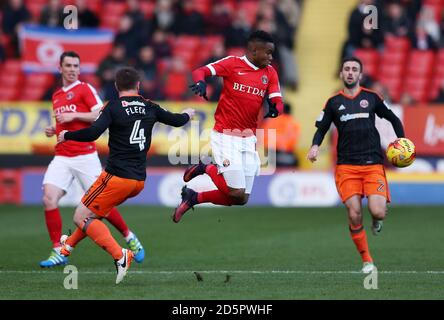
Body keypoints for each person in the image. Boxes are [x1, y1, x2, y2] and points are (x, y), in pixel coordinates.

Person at [57, 67, 194, 284]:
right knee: (94, 214)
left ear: (116, 87)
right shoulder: (150, 106)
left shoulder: (113, 107)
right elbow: (177, 121)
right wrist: (188, 113)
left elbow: (93, 133)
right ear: (138, 86)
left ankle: (120, 256)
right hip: (138, 181)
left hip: (116, 177)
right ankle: (68, 247)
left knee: (81, 217)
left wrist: (67, 135)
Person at [40, 52, 145, 268]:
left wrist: (74, 116)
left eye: (75, 65)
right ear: (60, 68)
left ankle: (129, 236)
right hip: (62, 154)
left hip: (85, 156)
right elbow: (66, 123)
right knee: (49, 198)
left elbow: (99, 114)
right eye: (68, 65)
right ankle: (58, 249)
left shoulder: (85, 89)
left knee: (101, 208)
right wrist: (56, 128)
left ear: (79, 69)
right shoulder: (57, 94)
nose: (72, 69)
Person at [306, 57, 406, 273]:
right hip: (347, 167)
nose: (350, 73)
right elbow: (322, 128)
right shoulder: (333, 102)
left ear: (360, 75)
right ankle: (367, 260)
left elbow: (393, 118)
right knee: (354, 213)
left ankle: (377, 221)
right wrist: (315, 146)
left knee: (377, 212)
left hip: (372, 164)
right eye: (347, 69)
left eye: (354, 70)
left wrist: (402, 140)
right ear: (342, 74)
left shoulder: (372, 98)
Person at [173, 30, 284, 223]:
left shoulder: (270, 72)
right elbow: (200, 71)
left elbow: (277, 98)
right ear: (254, 50)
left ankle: (193, 198)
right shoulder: (232, 64)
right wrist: (200, 82)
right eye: (268, 53)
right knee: (235, 191)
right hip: (225, 135)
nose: (271, 57)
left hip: (249, 138)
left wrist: (276, 108)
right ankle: (206, 169)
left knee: (241, 199)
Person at [260, 102, 300, 167]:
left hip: (269, 153)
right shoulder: (293, 123)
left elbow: (263, 136)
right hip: (286, 153)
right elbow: (293, 140)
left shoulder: (271, 121)